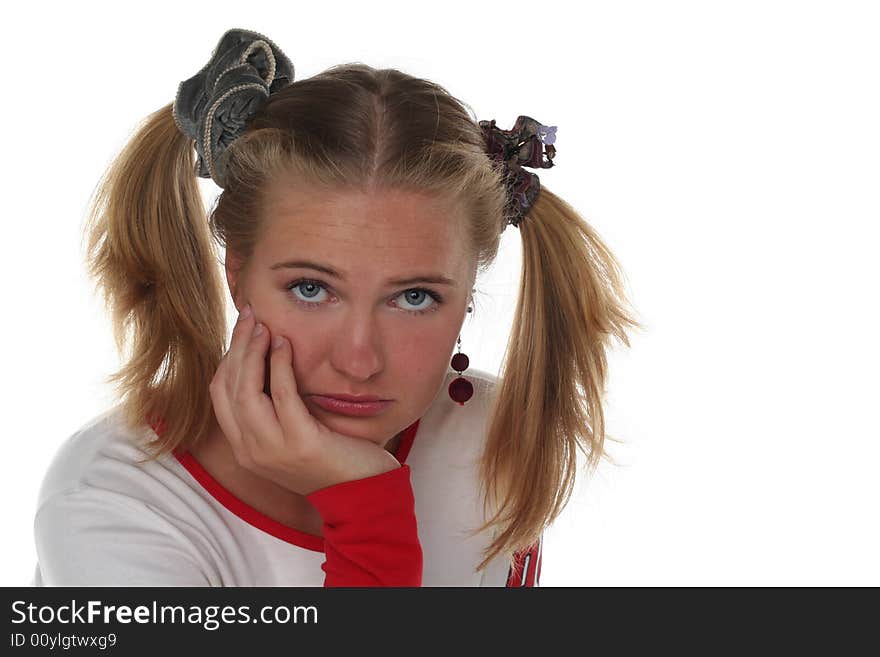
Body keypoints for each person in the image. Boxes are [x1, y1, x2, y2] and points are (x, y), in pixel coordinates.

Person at [31, 28, 642, 586]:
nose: (358, 360)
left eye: (414, 297)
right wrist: (363, 504)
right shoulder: (111, 504)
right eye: (311, 288)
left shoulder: (493, 440)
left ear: (468, 300)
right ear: (237, 275)